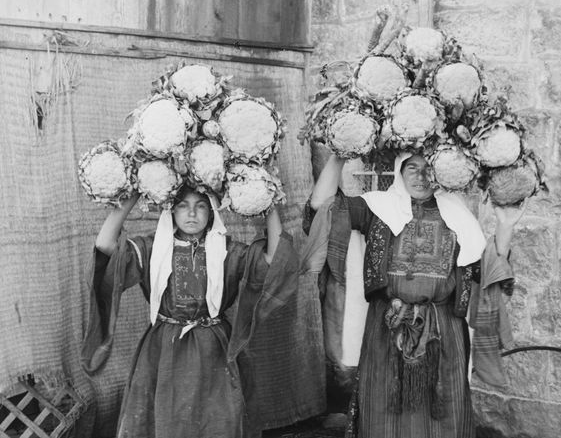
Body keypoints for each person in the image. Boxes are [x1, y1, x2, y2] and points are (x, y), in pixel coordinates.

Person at [302, 151, 525, 438]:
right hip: (386, 329)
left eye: (428, 169)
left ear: (439, 174)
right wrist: (339, 154)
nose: (420, 177)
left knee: (445, 413)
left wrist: (506, 225)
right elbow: (322, 208)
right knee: (383, 413)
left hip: (444, 333)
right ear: (398, 171)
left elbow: (488, 273)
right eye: (412, 168)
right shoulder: (376, 209)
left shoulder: (458, 215)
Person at [81, 185, 298, 438]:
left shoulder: (228, 251)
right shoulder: (152, 249)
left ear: (212, 210)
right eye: (183, 205)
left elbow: (275, 260)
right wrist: (132, 195)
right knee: (165, 418)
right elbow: (105, 247)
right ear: (171, 210)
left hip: (215, 348)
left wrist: (267, 199)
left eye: (201, 206)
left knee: (219, 419)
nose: (192, 213)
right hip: (163, 350)